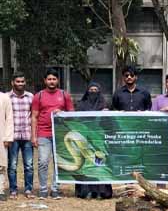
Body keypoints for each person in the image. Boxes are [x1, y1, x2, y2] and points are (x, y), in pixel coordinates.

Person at [31, 68, 75, 200]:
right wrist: (33, 136)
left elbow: (72, 114)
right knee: (43, 162)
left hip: (60, 134)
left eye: (54, 79)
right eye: (49, 79)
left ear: (58, 80)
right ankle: (43, 189)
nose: (51, 81)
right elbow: (34, 117)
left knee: (59, 162)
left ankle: (55, 189)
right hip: (43, 133)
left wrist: (61, 113)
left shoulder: (64, 95)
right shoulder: (38, 96)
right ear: (45, 81)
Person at [75, 82, 112, 199]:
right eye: (91, 89)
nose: (93, 92)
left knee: (99, 164)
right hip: (85, 139)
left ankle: (102, 191)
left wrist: (107, 114)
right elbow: (76, 120)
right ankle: (85, 191)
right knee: (86, 164)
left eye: (96, 90)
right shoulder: (81, 105)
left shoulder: (104, 105)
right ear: (87, 91)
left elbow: (108, 123)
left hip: (99, 139)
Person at [7, 72, 34, 200]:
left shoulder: (31, 97)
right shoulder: (6, 97)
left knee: (29, 165)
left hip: (27, 136)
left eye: (22, 81)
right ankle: (13, 190)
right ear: (12, 83)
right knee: (12, 165)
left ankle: (28, 189)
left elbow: (34, 116)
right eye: (18, 81)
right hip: (12, 136)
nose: (20, 84)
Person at [0, 91, 13, 201]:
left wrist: (8, 137)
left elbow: (9, 118)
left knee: (1, 165)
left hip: (1, 136)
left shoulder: (4, 97)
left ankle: (0, 190)